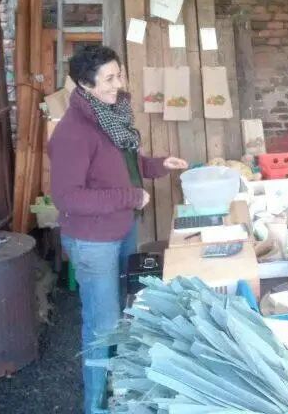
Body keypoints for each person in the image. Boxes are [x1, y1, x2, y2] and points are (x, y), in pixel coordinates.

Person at [48, 45, 188, 414]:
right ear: (84, 84)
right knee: (102, 323)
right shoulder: (72, 133)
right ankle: (95, 405)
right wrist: (128, 196)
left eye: (119, 74)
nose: (118, 84)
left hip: (120, 229)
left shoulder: (109, 115)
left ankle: (118, 386)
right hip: (92, 241)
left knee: (122, 312)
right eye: (109, 78)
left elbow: (125, 162)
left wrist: (157, 165)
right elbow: (67, 198)